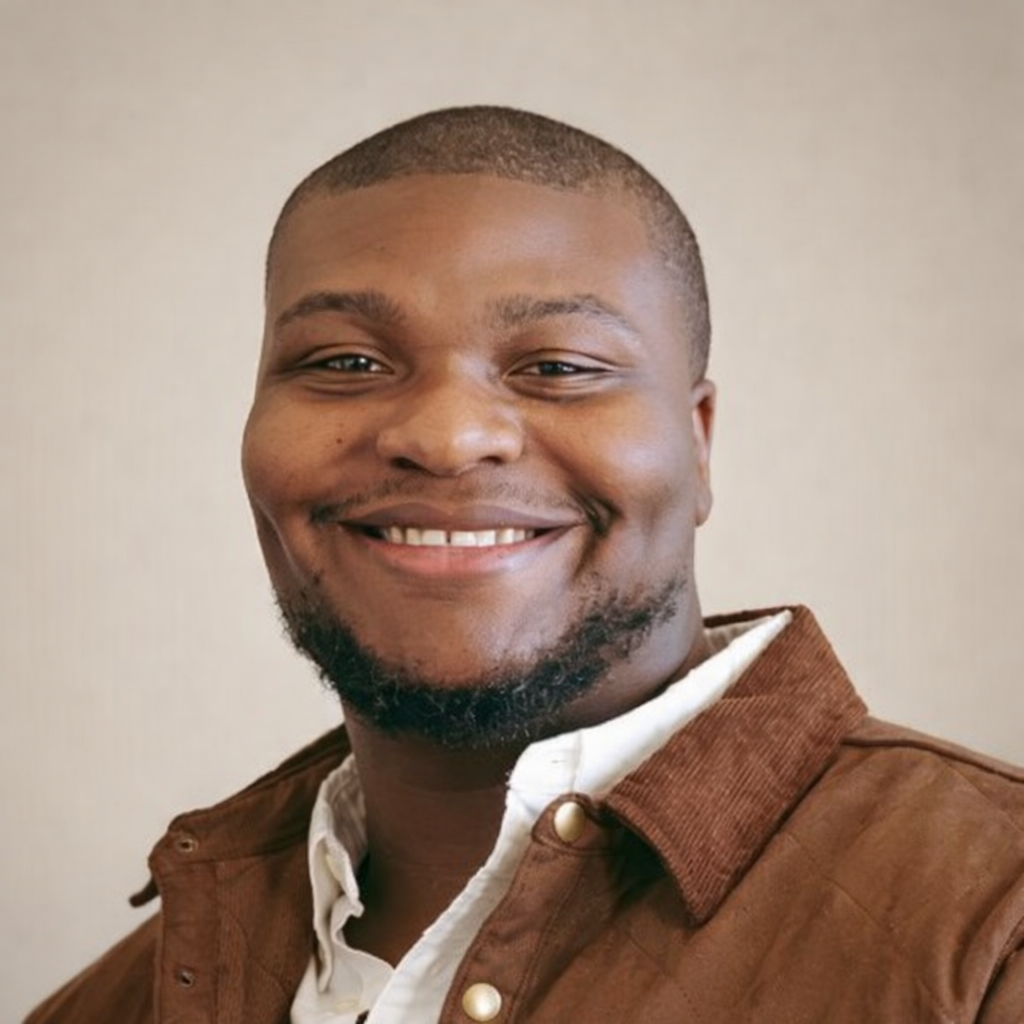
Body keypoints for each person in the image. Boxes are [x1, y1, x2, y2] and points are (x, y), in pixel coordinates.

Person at [25, 107, 1024, 1024]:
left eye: (557, 366)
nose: (448, 437)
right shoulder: (111, 1004)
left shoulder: (989, 922)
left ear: (698, 441)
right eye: (345, 363)